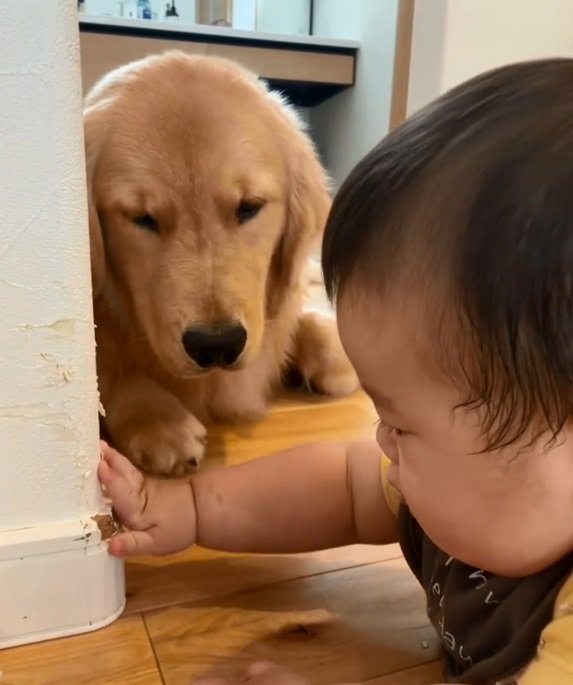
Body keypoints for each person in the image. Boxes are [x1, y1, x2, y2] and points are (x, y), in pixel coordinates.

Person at [98, 59, 573, 685]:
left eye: (401, 424)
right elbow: (346, 486)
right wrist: (188, 510)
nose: (377, 440)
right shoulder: (490, 483)